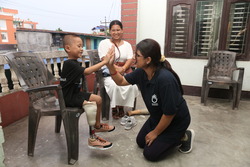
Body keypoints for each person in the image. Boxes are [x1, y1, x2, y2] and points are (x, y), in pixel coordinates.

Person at [106, 38, 195, 161]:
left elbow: (169, 114)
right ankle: (165, 134)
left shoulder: (165, 80)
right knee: (141, 142)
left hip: (175, 121)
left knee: (150, 154)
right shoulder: (141, 73)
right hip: (157, 117)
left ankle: (183, 136)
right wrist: (110, 66)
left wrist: (155, 133)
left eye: (137, 55)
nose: (134, 58)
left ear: (148, 60)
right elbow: (120, 81)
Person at [60, 34, 115, 150]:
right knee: (91, 105)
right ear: (68, 48)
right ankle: (93, 138)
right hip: (68, 98)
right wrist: (104, 62)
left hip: (75, 94)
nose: (82, 49)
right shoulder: (69, 64)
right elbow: (87, 71)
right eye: (79, 46)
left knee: (98, 99)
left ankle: (97, 125)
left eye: (82, 46)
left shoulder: (74, 63)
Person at [98, 20, 139, 119]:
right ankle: (114, 106)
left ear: (122, 31)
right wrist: (116, 69)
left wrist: (124, 68)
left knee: (132, 86)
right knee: (114, 85)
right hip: (109, 71)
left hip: (124, 71)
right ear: (110, 31)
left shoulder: (127, 45)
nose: (116, 32)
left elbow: (130, 58)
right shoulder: (104, 43)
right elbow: (104, 59)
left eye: (118, 30)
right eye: (113, 30)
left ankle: (121, 106)